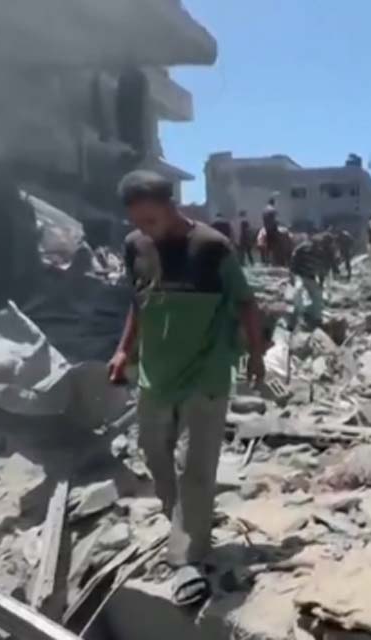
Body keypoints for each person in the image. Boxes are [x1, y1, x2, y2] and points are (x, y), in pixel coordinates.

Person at [107, 170, 265, 607]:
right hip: (156, 374)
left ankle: (187, 557)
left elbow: (247, 303)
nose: (145, 229)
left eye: (152, 220)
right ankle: (183, 523)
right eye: (138, 221)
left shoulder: (212, 247)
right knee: (154, 453)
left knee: (193, 465)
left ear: (171, 205)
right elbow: (138, 303)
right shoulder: (136, 246)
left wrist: (255, 356)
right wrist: (123, 351)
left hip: (205, 372)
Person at [289, 234, 325, 329]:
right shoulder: (301, 249)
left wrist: (321, 283)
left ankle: (316, 318)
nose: (317, 246)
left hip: (310, 277)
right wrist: (292, 275)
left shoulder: (320, 252)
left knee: (317, 295)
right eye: (316, 244)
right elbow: (293, 261)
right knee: (299, 293)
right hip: (299, 275)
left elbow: (321, 269)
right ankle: (294, 320)